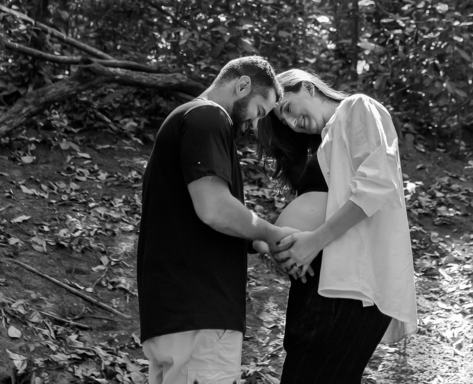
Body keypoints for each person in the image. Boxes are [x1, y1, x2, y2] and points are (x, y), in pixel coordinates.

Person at [136, 56, 298, 384]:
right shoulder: (209, 117)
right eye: (259, 111)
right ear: (242, 85)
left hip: (174, 316)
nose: (254, 124)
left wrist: (258, 243)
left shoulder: (189, 120)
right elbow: (213, 208)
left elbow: (190, 216)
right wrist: (272, 233)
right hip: (199, 314)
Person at [255, 69, 417, 384]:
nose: (290, 123)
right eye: (284, 121)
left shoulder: (358, 108)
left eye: (287, 109)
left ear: (307, 87)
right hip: (321, 287)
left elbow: (378, 186)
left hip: (350, 290)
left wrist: (313, 242)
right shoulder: (323, 141)